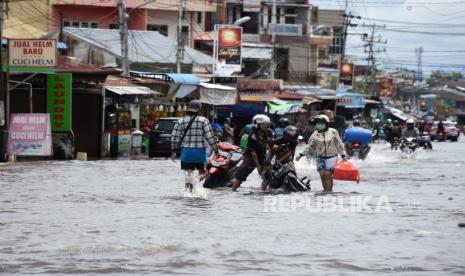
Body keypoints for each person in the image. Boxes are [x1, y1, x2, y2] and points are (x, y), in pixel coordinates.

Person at [171, 100, 219, 192]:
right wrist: (216, 150)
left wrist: (173, 151)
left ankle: (188, 193)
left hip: (186, 152)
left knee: (188, 174)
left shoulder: (181, 121)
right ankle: (196, 180)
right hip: (199, 152)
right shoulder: (204, 121)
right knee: (204, 172)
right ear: (199, 110)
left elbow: (175, 137)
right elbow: (210, 137)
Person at [296, 115, 346, 192]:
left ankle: (329, 192)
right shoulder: (315, 134)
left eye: (321, 123)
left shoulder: (333, 132)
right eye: (318, 123)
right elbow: (309, 146)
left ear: (326, 123)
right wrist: (301, 155)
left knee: (327, 174)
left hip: (332, 156)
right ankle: (325, 191)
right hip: (319, 157)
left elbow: (339, 144)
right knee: (322, 175)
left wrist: (343, 155)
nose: (319, 125)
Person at [231, 114, 273, 191]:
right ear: (257, 125)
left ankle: (263, 192)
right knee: (243, 172)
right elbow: (253, 153)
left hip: (262, 155)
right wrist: (258, 166)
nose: (264, 125)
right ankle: (233, 190)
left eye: (265, 124)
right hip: (250, 156)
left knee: (268, 175)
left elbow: (271, 146)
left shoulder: (269, 132)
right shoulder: (252, 135)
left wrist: (268, 159)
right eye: (262, 124)